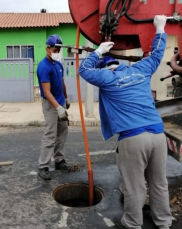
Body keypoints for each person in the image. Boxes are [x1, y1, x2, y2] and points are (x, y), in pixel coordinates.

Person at [78, 16, 172, 229]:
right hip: (158, 135)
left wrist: (98, 51)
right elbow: (157, 54)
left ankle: (132, 223)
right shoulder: (140, 70)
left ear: (106, 68)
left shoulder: (108, 79)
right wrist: (160, 28)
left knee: (134, 186)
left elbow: (84, 70)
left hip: (133, 138)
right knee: (159, 183)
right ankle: (164, 223)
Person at [37, 34, 70, 180]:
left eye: (59, 50)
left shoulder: (59, 64)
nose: (57, 52)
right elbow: (46, 91)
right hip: (51, 105)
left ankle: (59, 160)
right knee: (51, 134)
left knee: (62, 131)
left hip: (60, 102)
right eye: (55, 50)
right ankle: (43, 166)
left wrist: (66, 98)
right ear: (48, 49)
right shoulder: (43, 66)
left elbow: (62, 83)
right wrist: (58, 107)